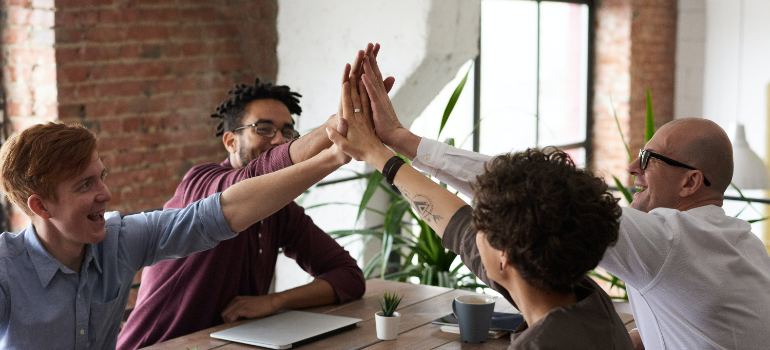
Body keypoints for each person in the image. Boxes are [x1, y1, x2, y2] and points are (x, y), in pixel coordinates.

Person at [355, 45, 770, 349]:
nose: (632, 167)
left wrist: (398, 143)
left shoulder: (671, 241)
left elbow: (527, 192)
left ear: (691, 182)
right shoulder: (738, 244)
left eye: (648, 158)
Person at [326, 53, 634, 349]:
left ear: (505, 256)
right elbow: (456, 225)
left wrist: (376, 153)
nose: (473, 228)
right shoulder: (585, 297)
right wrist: (381, 150)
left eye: (481, 223)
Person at [118, 45, 395, 349]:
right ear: (230, 141)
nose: (278, 140)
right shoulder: (201, 183)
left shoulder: (281, 210)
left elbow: (348, 276)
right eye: (263, 129)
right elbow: (254, 178)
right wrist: (334, 129)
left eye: (287, 132)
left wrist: (274, 301)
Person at [0, 119, 350, 349]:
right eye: (85, 185)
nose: (105, 194)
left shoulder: (120, 240)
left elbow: (221, 212)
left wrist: (333, 157)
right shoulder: (6, 270)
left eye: (101, 177)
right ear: (41, 206)